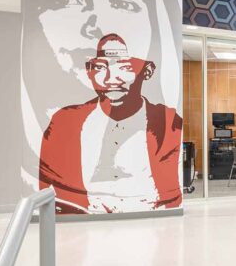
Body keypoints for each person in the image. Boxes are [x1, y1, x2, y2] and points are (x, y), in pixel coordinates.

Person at [39, 33, 182, 213]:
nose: (110, 78)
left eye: (125, 66)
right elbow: (48, 193)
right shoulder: (64, 123)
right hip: (80, 228)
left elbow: (172, 194)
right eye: (100, 67)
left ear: (147, 71)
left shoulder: (169, 123)